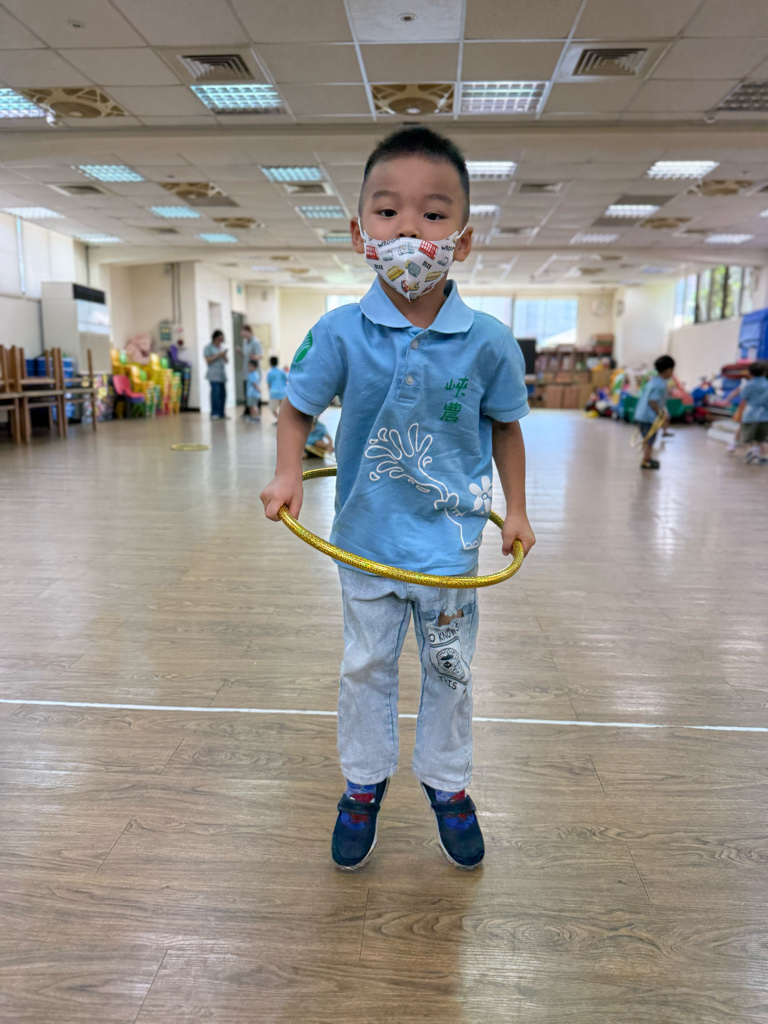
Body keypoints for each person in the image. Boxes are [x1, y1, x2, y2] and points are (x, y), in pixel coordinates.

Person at [260, 126, 534, 872]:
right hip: (365, 541)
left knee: (450, 673)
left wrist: (515, 509)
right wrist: (287, 475)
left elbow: (507, 428)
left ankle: (448, 784)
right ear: (360, 234)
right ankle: (362, 784)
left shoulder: (488, 341)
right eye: (388, 212)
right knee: (365, 668)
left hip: (450, 550)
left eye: (434, 214)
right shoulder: (339, 332)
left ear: (463, 241)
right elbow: (296, 409)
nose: (410, 230)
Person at [634, 355, 675, 470]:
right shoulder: (660, 385)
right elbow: (652, 401)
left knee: (647, 438)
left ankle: (646, 458)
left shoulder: (652, 381)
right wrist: (661, 414)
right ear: (668, 370)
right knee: (650, 440)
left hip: (641, 415)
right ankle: (646, 460)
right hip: (648, 417)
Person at [738, 362, 768, 464]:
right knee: (762, 439)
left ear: (750, 372)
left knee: (747, 438)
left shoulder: (750, 384)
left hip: (751, 415)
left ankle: (752, 450)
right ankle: (764, 457)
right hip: (765, 416)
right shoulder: (767, 384)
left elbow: (743, 396)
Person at [204, 329, 228, 420]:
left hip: (222, 375)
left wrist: (224, 355)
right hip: (213, 375)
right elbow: (208, 360)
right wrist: (218, 355)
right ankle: (214, 413)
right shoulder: (208, 348)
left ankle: (222, 413)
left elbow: (227, 361)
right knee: (215, 394)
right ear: (216, 338)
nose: (222, 339)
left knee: (223, 395)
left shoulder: (222, 347)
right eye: (221, 337)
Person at [240, 325, 263, 418]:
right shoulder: (245, 342)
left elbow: (260, 356)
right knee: (247, 392)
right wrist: (240, 352)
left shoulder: (255, 342)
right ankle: (248, 412)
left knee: (255, 392)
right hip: (247, 371)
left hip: (254, 372)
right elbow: (245, 355)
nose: (241, 333)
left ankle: (257, 413)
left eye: (243, 331)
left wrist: (254, 357)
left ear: (248, 331)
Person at [266, 355, 288, 424]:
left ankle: (280, 420)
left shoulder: (270, 373)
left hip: (274, 393)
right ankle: (282, 421)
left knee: (272, 409)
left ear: (270, 363)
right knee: (282, 409)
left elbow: (269, 384)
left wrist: (269, 392)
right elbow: (287, 379)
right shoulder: (282, 372)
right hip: (283, 392)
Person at [245, 357, 261, 422]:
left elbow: (255, 383)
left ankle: (256, 417)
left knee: (253, 406)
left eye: (250, 366)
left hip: (253, 394)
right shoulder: (252, 374)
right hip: (250, 393)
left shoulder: (254, 374)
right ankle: (253, 417)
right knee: (251, 406)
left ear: (254, 367)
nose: (249, 368)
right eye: (248, 366)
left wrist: (258, 389)